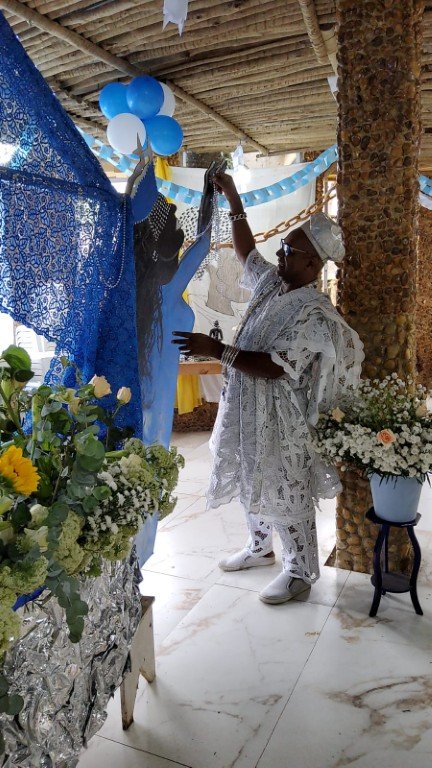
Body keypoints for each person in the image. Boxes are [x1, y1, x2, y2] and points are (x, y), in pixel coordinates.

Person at [173, 172, 364, 605]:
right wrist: (233, 197)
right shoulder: (274, 282)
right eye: (283, 247)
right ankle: (260, 548)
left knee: (285, 485)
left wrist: (216, 349)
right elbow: (245, 251)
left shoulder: (314, 313)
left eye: (289, 250)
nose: (279, 254)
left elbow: (277, 368)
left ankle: (299, 573)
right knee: (247, 472)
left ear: (313, 264)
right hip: (244, 404)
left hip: (281, 417)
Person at [127, 155, 219, 448]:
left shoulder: (130, 289)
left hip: (132, 394)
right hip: (156, 402)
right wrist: (209, 195)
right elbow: (203, 242)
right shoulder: (168, 287)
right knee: (147, 464)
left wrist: (130, 193)